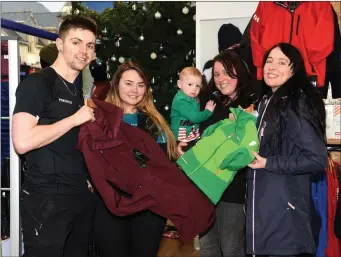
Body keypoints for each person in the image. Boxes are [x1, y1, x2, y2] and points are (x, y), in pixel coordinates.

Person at [12, 15, 97, 257]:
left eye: (90, 45)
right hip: (46, 201)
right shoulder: (38, 83)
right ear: (60, 44)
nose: (84, 51)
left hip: (78, 197)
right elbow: (22, 141)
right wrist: (74, 119)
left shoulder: (77, 89)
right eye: (76, 42)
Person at [246, 43, 328, 257]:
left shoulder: (294, 104)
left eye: (282, 62)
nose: (272, 67)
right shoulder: (267, 102)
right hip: (265, 215)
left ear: (294, 70)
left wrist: (269, 162)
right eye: (269, 61)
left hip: (285, 222)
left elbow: (317, 158)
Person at [178, 48, 261, 257]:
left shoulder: (252, 103)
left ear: (238, 72)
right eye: (216, 74)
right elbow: (200, 136)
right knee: (207, 247)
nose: (221, 78)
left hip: (233, 189)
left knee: (231, 247)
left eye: (227, 72)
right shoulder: (209, 103)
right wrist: (183, 146)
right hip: (204, 186)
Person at [92, 61, 178, 257]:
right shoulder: (99, 119)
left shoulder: (155, 124)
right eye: (129, 83)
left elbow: (162, 168)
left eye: (140, 85)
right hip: (110, 207)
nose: (135, 90)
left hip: (147, 208)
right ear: (116, 85)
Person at [170, 67, 216, 151]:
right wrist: (207, 111)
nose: (194, 88)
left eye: (197, 86)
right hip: (181, 139)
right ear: (180, 84)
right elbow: (195, 118)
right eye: (190, 84)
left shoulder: (192, 98)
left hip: (190, 135)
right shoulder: (181, 101)